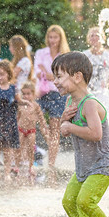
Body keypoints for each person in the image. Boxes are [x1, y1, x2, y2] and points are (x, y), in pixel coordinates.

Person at [52, 51, 109, 217]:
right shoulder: (70, 104)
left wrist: (69, 127)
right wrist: (64, 123)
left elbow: (95, 134)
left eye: (59, 76)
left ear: (77, 77)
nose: (55, 81)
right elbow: (66, 131)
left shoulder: (90, 104)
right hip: (84, 166)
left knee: (85, 201)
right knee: (69, 201)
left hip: (101, 164)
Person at [34, 25, 70, 181]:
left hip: (58, 94)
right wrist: (52, 75)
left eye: (55, 37)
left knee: (55, 128)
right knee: (38, 123)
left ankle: (51, 163)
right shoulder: (41, 53)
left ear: (60, 38)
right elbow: (37, 72)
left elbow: (65, 76)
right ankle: (49, 145)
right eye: (50, 37)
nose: (52, 40)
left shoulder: (65, 55)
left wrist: (49, 74)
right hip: (42, 93)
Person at [16, 81, 49, 184]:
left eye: (28, 94)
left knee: (31, 148)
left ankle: (31, 166)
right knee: (19, 148)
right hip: (21, 129)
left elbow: (41, 117)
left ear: (33, 94)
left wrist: (44, 125)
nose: (26, 96)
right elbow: (17, 117)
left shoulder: (35, 106)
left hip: (31, 131)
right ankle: (17, 165)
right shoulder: (20, 105)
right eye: (24, 94)